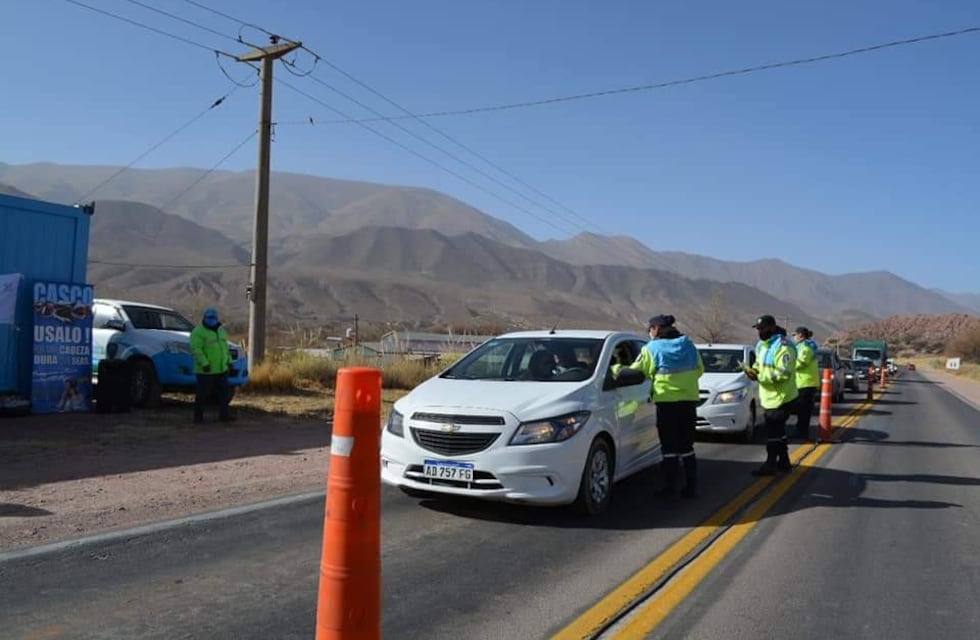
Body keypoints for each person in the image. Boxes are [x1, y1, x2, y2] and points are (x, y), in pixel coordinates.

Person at [616, 314, 704, 498]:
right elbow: (700, 370)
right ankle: (691, 488)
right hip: (688, 402)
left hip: (667, 403)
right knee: (687, 446)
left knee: (669, 448)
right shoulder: (688, 345)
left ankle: (670, 489)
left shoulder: (652, 348)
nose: (649, 332)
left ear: (656, 328)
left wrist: (615, 369)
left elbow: (639, 371)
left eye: (650, 328)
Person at [743, 315, 798, 475]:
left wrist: (760, 377)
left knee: (773, 432)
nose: (760, 332)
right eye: (758, 329)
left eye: (763, 329)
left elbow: (783, 373)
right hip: (769, 396)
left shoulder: (784, 347)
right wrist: (753, 370)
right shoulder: (762, 345)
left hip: (782, 396)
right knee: (778, 431)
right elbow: (759, 363)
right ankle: (784, 462)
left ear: (772, 327)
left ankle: (771, 463)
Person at [190, 307, 234, 423]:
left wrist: (229, 362)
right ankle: (198, 418)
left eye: (213, 317)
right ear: (204, 318)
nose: (211, 320)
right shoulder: (198, 332)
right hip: (206, 370)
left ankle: (224, 416)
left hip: (221, 369)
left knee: (224, 394)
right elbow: (196, 350)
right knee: (202, 395)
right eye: (209, 317)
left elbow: (225, 349)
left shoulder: (221, 331)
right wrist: (204, 363)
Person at [792, 326, 819, 441]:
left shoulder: (805, 348)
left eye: (794, 335)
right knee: (801, 410)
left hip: (806, 383)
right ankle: (800, 431)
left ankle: (802, 433)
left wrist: (788, 363)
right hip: (802, 382)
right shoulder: (801, 347)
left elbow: (800, 364)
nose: (793, 337)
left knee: (803, 410)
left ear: (800, 335)